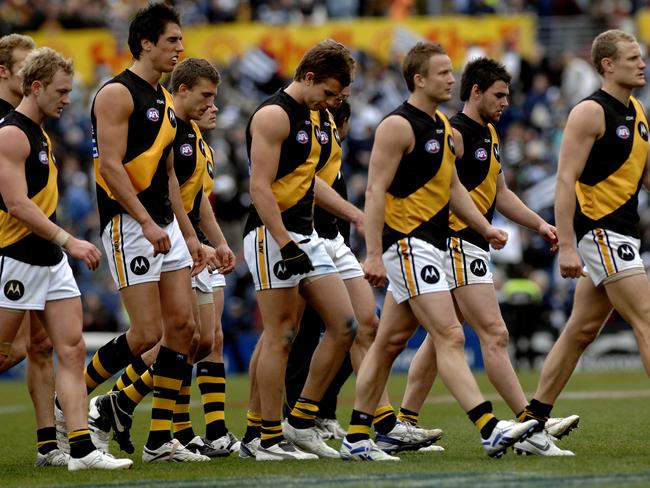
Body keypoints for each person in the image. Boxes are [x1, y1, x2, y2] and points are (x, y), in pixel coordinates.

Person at [340, 42, 537, 461]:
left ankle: (357, 437)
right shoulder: (397, 126)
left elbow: (453, 190)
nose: (452, 78)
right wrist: (373, 253)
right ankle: (488, 426)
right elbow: (374, 191)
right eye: (444, 72)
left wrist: (487, 228)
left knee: (389, 343)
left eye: (452, 71)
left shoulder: (445, 130)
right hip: (407, 244)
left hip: (431, 245)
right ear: (419, 79)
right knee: (448, 333)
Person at [392, 57, 574, 456]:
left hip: (471, 243)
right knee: (494, 333)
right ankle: (531, 423)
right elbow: (441, 192)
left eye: (507, 95)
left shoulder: (489, 133)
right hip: (457, 243)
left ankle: (403, 422)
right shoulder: (454, 134)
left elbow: (501, 193)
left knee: (439, 340)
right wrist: (478, 228)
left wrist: (539, 224)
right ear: (475, 92)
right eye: (499, 95)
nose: (506, 102)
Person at [0, 46, 132, 471]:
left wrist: (61, 246)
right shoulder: (11, 134)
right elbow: (16, 204)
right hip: (16, 259)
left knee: (71, 349)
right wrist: (69, 240)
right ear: (35, 87)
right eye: (60, 91)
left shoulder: (40, 132)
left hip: (49, 260)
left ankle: (80, 449)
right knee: (3, 354)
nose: (67, 99)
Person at [85, 3, 206, 463]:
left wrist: (187, 234)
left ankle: (160, 442)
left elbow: (171, 176)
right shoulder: (117, 93)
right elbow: (109, 169)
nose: (180, 47)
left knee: (184, 330)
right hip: (130, 224)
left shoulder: (165, 102)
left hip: (165, 225)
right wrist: (147, 222)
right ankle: (71, 404)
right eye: (172, 40)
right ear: (146, 43)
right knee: (146, 333)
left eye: (180, 39)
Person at [519, 29, 650, 440]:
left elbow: (644, 179)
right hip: (601, 233)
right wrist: (568, 246)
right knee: (647, 320)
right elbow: (564, 181)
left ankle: (531, 422)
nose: (642, 64)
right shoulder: (590, 112)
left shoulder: (640, 114)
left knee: (580, 331)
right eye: (632, 58)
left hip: (623, 234)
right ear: (607, 65)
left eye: (641, 57)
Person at [243, 39, 358, 460]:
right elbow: (260, 186)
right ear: (308, 78)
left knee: (346, 325)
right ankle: (266, 438)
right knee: (282, 335)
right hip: (272, 234)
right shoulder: (275, 115)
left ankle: (301, 420)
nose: (331, 103)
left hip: (305, 234)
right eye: (328, 93)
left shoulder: (314, 116)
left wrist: (355, 215)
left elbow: (308, 182)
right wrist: (284, 241)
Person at [0, 33, 70, 467]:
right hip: (7, 245)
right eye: (26, 67)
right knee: (15, 349)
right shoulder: (10, 128)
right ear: (5, 71)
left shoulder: (33, 125)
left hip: (30, 246)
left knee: (41, 345)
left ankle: (48, 446)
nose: (32, 76)